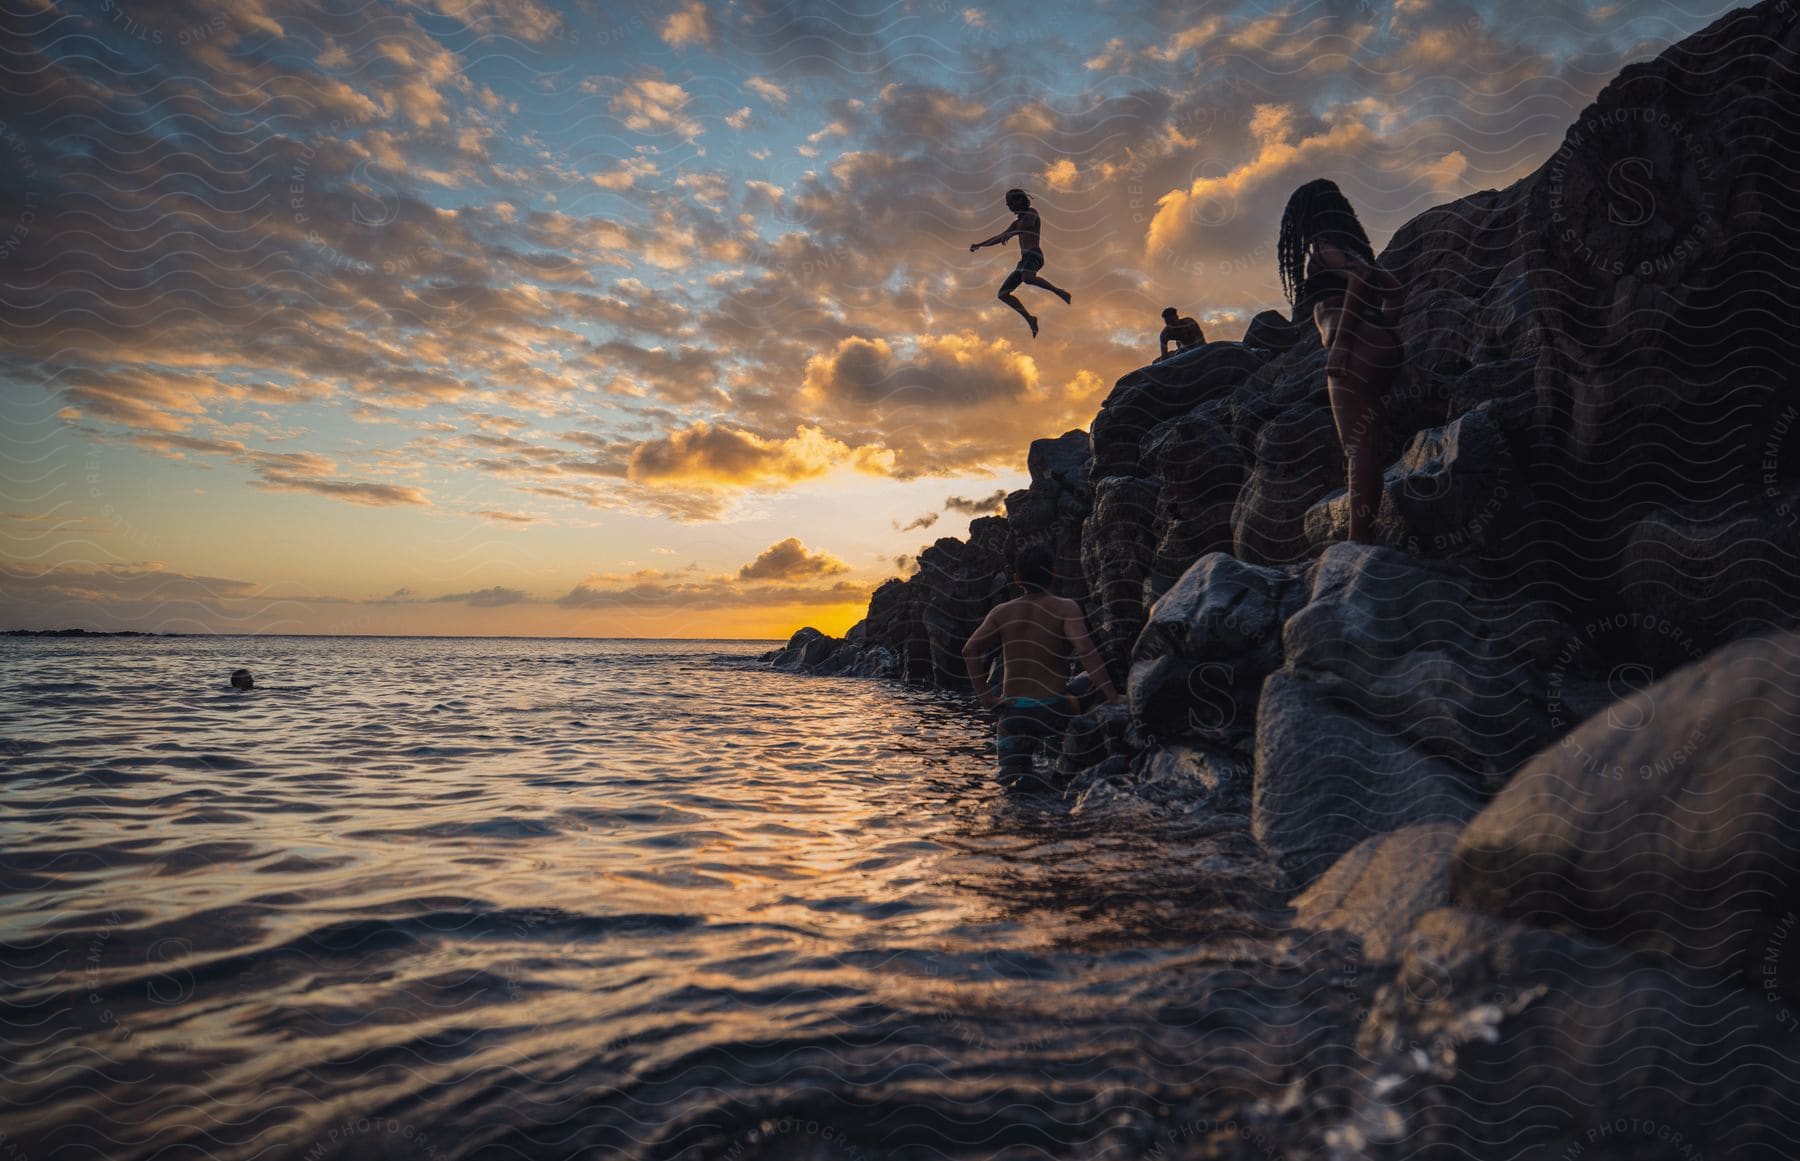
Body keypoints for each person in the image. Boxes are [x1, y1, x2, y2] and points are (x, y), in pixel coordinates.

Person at [1277, 178, 1404, 544]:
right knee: (1370, 447)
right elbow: (1394, 291)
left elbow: (1361, 278)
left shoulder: (1322, 248)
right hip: (1381, 346)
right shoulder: (1353, 249)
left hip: (1353, 353)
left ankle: (1358, 545)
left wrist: (1344, 342)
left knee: (1356, 449)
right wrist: (1380, 334)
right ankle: (1367, 537)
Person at [961, 546, 1120, 786]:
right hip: (1054, 711)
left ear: (1016, 578)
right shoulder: (1066, 607)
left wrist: (987, 699)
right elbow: (1085, 649)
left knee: (1012, 784)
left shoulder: (1001, 612)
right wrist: (1114, 697)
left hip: (1012, 715)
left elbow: (969, 650)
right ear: (1053, 574)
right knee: (1061, 783)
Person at [969, 188, 1071, 339]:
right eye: (1008, 205)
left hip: (1034, 254)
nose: (1010, 207)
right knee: (1003, 294)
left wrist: (1010, 234)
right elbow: (999, 237)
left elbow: (1027, 226)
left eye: (1011, 203)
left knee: (1027, 278)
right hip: (1024, 261)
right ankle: (1030, 319)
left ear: (1021, 200)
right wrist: (980, 244)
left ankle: (1059, 291)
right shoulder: (1015, 224)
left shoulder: (1032, 213)